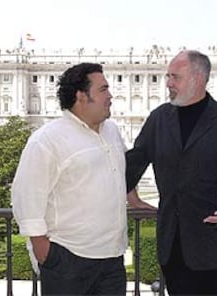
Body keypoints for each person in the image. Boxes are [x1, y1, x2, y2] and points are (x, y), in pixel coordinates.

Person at [11, 62, 154, 296]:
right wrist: (44, 252)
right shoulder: (48, 139)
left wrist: (133, 198)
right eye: (103, 89)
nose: (111, 95)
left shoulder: (111, 131)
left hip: (112, 259)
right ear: (81, 96)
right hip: (68, 259)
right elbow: (26, 197)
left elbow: (118, 169)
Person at [126, 50, 217, 295]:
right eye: (167, 76)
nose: (168, 83)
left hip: (216, 246)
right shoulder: (159, 119)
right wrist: (129, 194)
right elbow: (133, 162)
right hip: (173, 248)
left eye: (175, 77)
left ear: (197, 79)